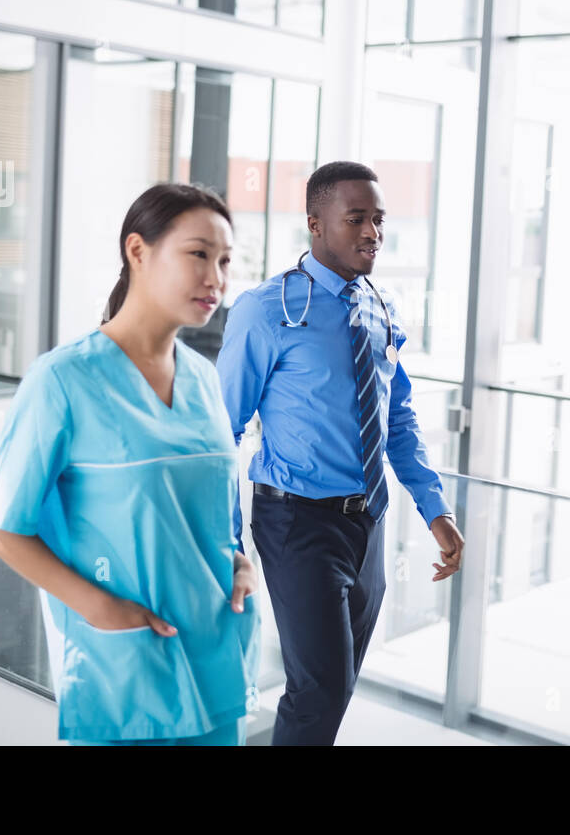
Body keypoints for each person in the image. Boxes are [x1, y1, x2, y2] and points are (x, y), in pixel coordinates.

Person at [0, 182, 260, 746]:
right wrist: (98, 606)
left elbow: (216, 502)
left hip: (215, 653)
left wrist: (240, 559)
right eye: (198, 254)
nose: (216, 279)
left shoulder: (205, 380)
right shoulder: (63, 381)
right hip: (125, 670)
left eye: (225, 261)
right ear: (138, 250)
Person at [216, 160, 464, 746]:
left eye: (378, 220)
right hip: (295, 519)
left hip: (368, 524)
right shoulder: (265, 308)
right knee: (320, 687)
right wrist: (228, 544)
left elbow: (396, 418)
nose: (372, 233)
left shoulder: (381, 308)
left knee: (335, 684)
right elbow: (219, 431)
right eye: (356, 219)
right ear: (315, 223)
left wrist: (436, 511)